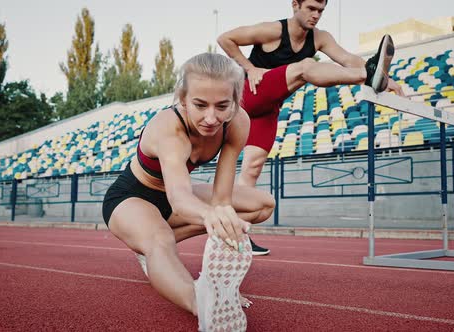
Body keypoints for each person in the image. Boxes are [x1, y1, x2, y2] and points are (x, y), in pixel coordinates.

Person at [102, 52, 275, 332]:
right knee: (159, 240)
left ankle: (169, 259)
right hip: (132, 198)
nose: (211, 117)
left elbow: (222, 198)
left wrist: (225, 281)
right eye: (200, 105)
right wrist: (217, 300)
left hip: (174, 203)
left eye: (222, 106)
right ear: (183, 99)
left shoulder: (237, 122)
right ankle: (202, 305)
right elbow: (180, 198)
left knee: (262, 204)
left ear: (234, 101)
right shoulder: (169, 128)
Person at [218, 0, 404, 254]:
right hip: (249, 95)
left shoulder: (320, 38)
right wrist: (249, 67)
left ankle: (237, 235)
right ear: (295, 5)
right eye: (311, 9)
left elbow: (348, 58)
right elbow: (225, 38)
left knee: (252, 169)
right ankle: (369, 77)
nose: (316, 15)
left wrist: (387, 78)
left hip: (269, 109)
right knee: (306, 67)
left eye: (321, 11)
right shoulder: (273, 31)